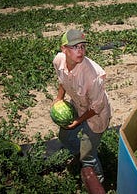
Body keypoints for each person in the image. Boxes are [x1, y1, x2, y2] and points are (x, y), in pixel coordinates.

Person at [52, 29, 112, 183]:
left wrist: (78, 122)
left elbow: (96, 108)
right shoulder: (59, 60)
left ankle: (97, 182)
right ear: (63, 49)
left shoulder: (93, 76)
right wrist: (59, 98)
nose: (80, 51)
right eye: (75, 47)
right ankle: (80, 154)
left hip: (96, 116)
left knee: (89, 155)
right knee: (65, 137)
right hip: (78, 106)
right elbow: (63, 80)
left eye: (82, 46)